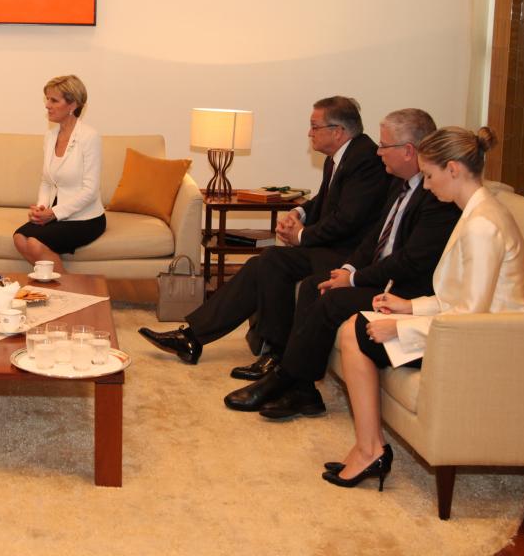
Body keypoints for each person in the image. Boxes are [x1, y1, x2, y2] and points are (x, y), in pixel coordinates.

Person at [324, 126, 524, 490]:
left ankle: (370, 449)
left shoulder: (482, 225)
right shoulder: (476, 211)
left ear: (453, 169)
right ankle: (369, 447)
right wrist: (409, 306)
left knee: (355, 330)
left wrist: (401, 328)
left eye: (430, 175)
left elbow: (471, 319)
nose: (428, 186)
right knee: (353, 327)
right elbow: (461, 297)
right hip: (473, 330)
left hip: (491, 345)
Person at [223, 109, 460, 416]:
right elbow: (376, 237)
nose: (378, 151)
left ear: (408, 151)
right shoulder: (400, 183)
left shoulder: (436, 197)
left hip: (405, 288)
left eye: (384, 146)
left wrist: (353, 280)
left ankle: (285, 378)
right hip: (381, 275)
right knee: (312, 286)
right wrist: (348, 269)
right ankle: (303, 390)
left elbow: (409, 261)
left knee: (330, 300)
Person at [139, 96, 389, 366]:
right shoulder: (339, 157)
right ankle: (194, 337)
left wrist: (301, 236)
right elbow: (324, 199)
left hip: (350, 256)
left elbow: (347, 219)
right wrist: (298, 212)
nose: (309, 133)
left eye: (314, 127)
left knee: (271, 261)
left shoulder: (365, 160)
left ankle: (273, 353)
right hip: (332, 247)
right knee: (264, 263)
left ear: (337, 131)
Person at [13, 75, 106, 272]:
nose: (47, 105)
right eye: (47, 99)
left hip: (85, 218)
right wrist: (41, 208)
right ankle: (57, 286)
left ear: (72, 104)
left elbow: (90, 191)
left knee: (35, 243)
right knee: (20, 238)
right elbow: (47, 181)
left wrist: (53, 213)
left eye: (53, 100)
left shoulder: (89, 137)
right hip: (56, 212)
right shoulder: (50, 136)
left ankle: (67, 291)